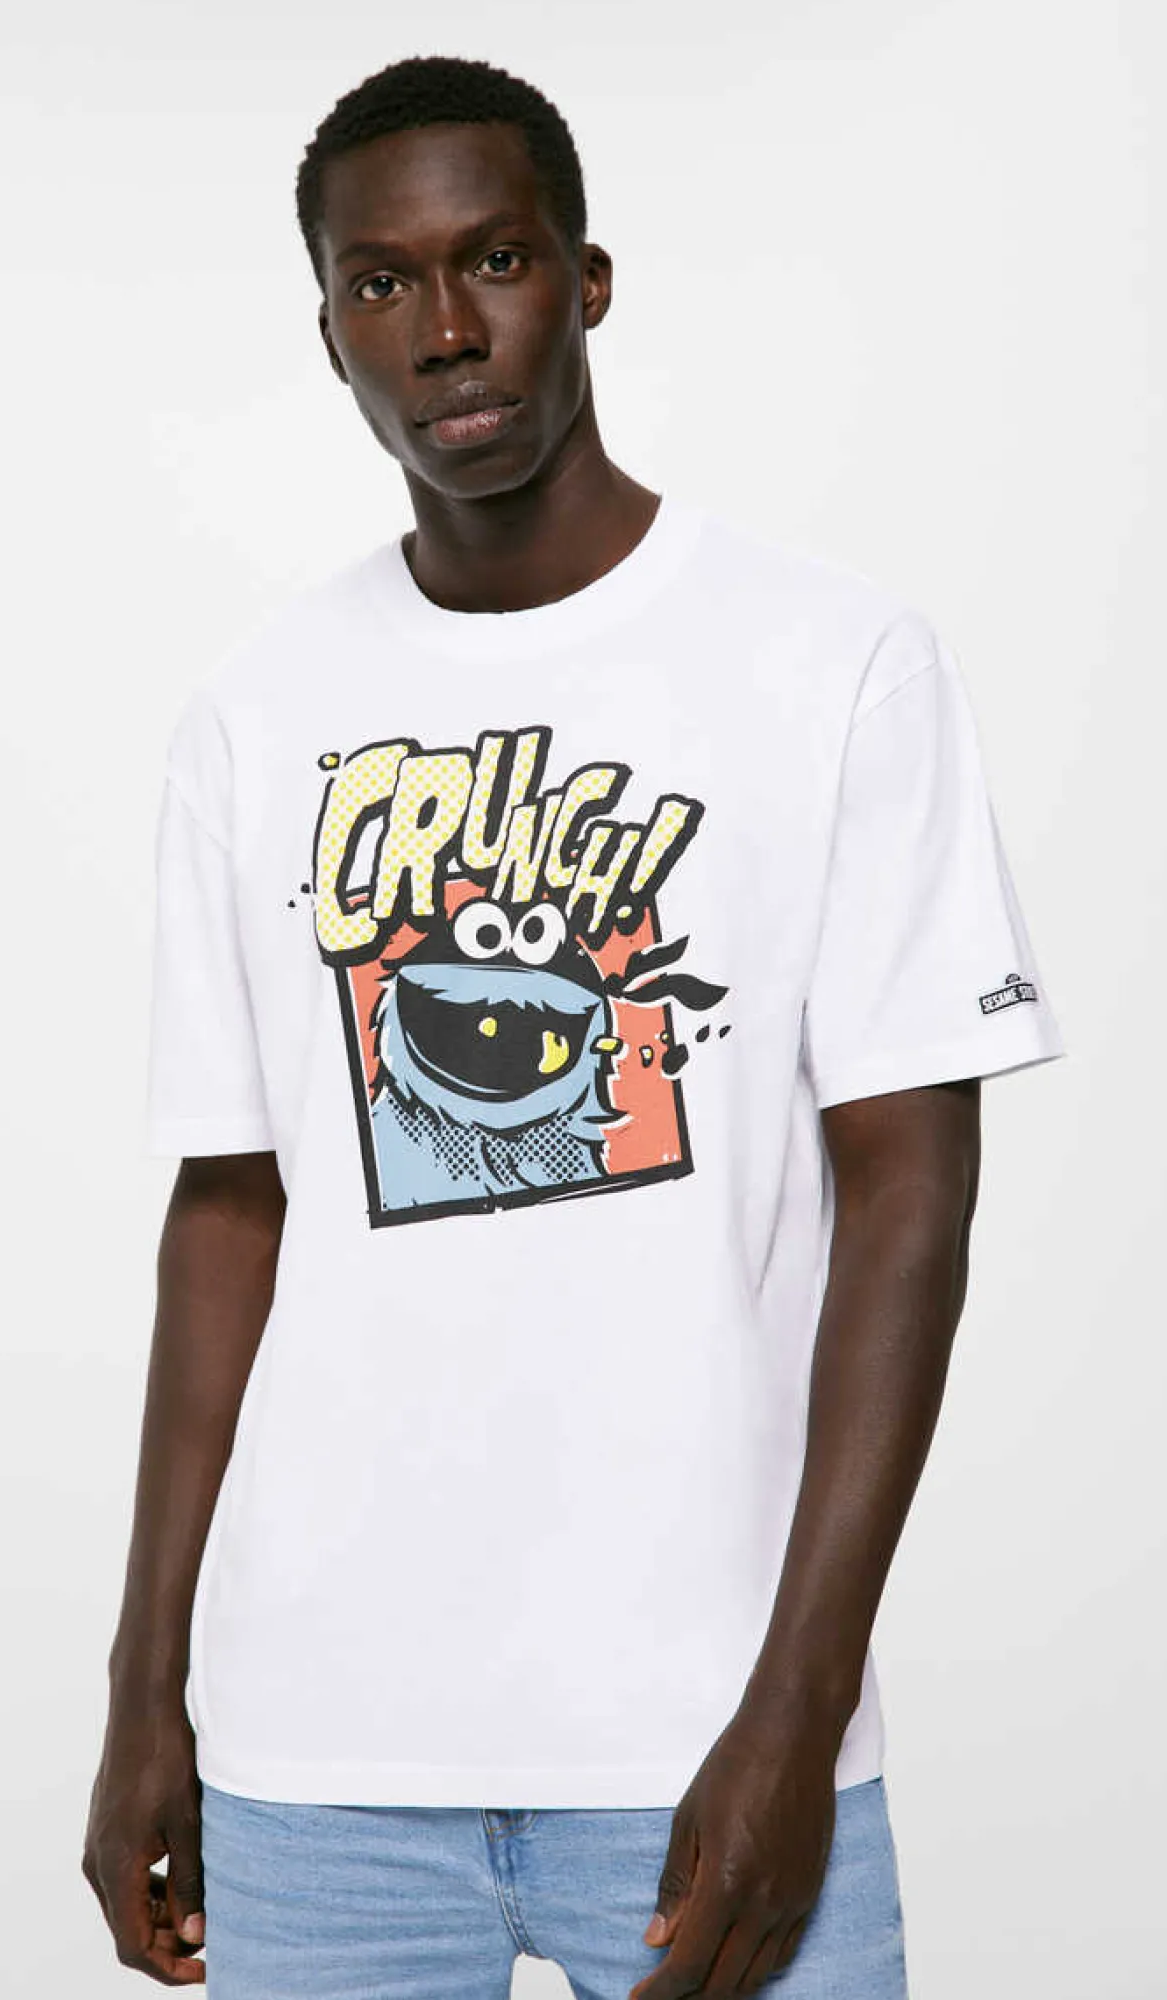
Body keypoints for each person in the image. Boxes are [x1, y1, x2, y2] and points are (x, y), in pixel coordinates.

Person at [82, 53, 1063, 2000]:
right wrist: (141, 1688)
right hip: (318, 1758)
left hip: (711, 1739)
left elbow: (911, 1198)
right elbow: (231, 1211)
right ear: (331, 332)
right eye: (382, 283)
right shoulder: (255, 718)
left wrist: (800, 1705)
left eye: (498, 260)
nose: (446, 330)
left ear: (587, 280)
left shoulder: (834, 663)